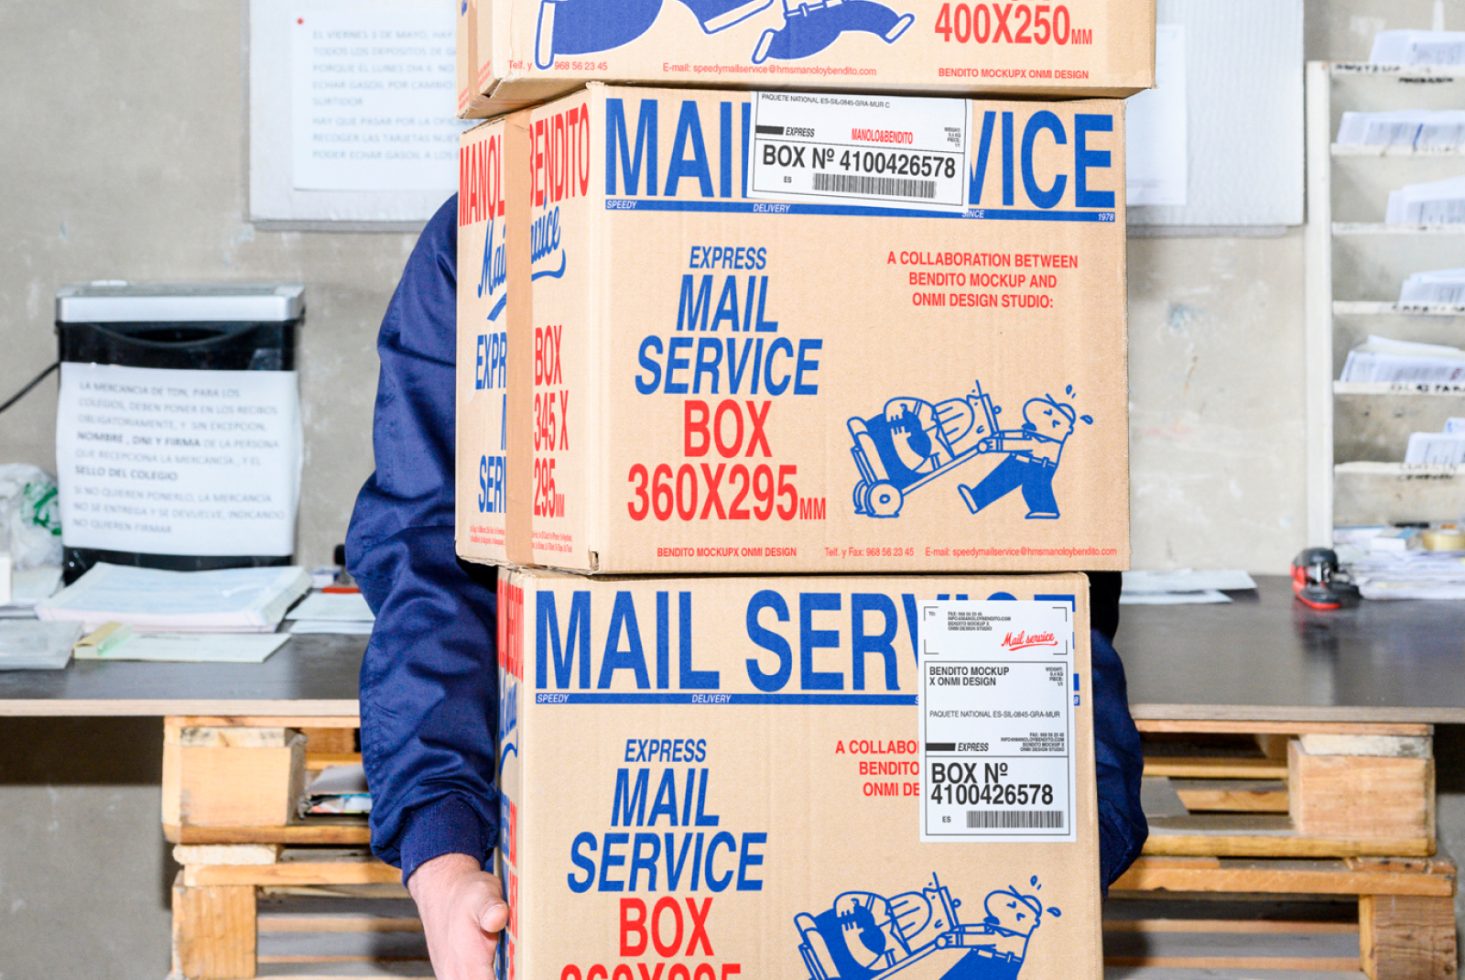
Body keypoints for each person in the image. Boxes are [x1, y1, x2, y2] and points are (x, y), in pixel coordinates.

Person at [346, 195, 1148, 977]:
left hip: (937, 802)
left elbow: (1055, 581)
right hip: (613, 832)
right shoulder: (507, 226)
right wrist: (442, 856)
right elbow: (431, 554)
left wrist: (1070, 841)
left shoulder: (1004, 218)